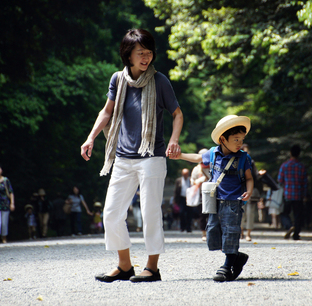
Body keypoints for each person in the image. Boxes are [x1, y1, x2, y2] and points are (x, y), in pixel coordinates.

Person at [80, 28, 183, 283]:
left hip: (152, 157)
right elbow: (106, 112)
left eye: (149, 53)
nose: (145, 58)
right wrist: (90, 137)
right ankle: (124, 266)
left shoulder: (160, 82)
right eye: (140, 53)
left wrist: (173, 140)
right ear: (128, 55)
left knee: (150, 213)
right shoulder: (118, 80)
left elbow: (177, 114)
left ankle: (152, 268)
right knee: (111, 214)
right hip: (123, 158)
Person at [173, 115, 254, 282]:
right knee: (213, 234)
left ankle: (226, 266)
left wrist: (249, 191)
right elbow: (197, 158)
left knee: (231, 232)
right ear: (223, 139)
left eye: (242, 139)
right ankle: (237, 257)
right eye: (236, 139)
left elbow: (249, 178)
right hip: (215, 201)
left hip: (233, 202)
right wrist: (180, 155)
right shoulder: (213, 153)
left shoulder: (244, 158)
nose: (240, 143)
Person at [278, 145, 308, 240]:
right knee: (298, 214)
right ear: (299, 154)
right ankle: (296, 235)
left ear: (290, 153)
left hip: (287, 194)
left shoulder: (285, 165)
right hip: (298, 195)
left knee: (284, 213)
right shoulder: (301, 166)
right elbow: (305, 182)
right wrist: (305, 195)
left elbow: (280, 180)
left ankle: (289, 226)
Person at [239, 144, 262, 241]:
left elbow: (255, 176)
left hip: (251, 191)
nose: (247, 153)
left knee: (250, 213)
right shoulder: (237, 161)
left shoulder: (251, 162)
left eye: (248, 151)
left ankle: (248, 233)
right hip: (240, 191)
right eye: (245, 151)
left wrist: (260, 174)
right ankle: (241, 233)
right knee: (240, 213)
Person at [190, 148, 211, 241]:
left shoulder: (213, 166)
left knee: (213, 214)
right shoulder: (197, 169)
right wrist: (199, 181)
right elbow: (192, 182)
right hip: (201, 195)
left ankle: (213, 233)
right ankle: (204, 233)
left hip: (212, 193)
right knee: (202, 215)